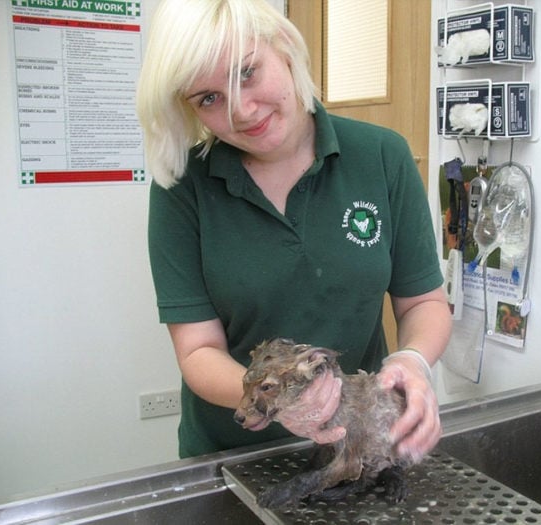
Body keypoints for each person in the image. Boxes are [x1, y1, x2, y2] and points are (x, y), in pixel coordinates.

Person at [136, 0, 452, 463]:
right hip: (232, 455)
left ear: (283, 47)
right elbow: (199, 350)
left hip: (357, 443)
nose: (241, 110)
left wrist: (412, 361)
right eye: (209, 98)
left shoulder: (382, 156)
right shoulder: (183, 189)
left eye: (247, 73)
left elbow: (423, 302)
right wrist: (278, 402)